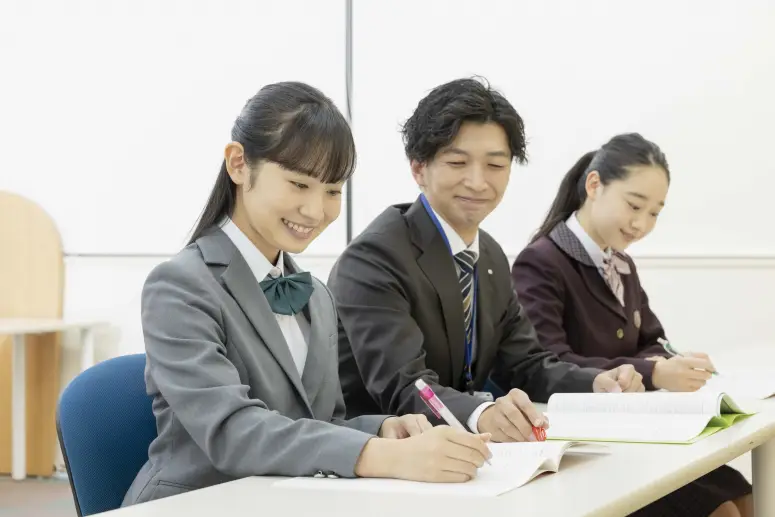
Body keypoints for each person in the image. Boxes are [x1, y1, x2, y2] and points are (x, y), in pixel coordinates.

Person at [122, 82, 492, 507]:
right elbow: (232, 431)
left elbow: (322, 422)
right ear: (239, 164)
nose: (316, 211)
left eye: (332, 191)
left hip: (287, 501)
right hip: (198, 504)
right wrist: (384, 456)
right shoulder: (179, 286)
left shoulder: (316, 294)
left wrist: (381, 430)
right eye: (299, 185)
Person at [327, 77, 644, 448]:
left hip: (463, 453)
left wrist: (595, 382)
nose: (478, 182)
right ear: (418, 169)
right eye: (458, 162)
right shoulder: (374, 258)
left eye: (495, 165)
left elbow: (525, 362)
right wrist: (482, 415)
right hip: (381, 458)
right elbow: (405, 386)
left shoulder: (488, 253)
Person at [511, 133, 752, 517]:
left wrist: (670, 362)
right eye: (634, 205)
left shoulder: (621, 263)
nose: (642, 224)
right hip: (586, 443)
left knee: (743, 496)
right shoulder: (541, 262)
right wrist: (655, 372)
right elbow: (546, 362)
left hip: (636, 431)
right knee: (722, 510)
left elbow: (653, 339)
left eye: (655, 213)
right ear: (594, 185)